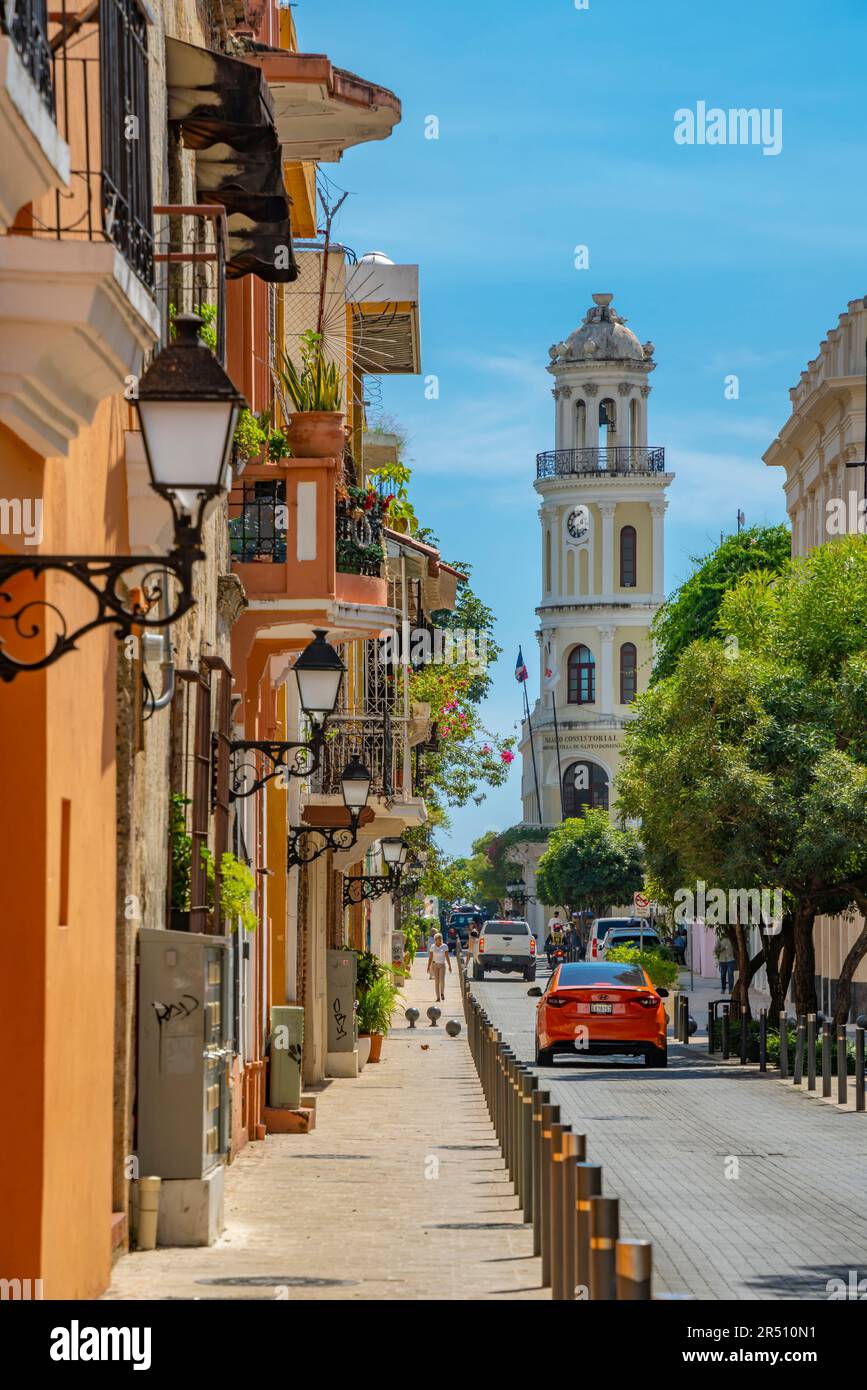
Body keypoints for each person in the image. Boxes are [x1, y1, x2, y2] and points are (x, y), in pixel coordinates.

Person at [427, 931, 452, 1002]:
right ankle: (438, 997)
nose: (439, 940)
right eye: (438, 939)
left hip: (442, 965)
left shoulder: (444, 946)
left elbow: (447, 956)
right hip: (434, 965)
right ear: (435, 940)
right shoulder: (432, 947)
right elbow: (430, 957)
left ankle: (442, 993)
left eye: (440, 939)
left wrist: (450, 965)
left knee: (442, 981)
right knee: (436, 981)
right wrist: (428, 966)